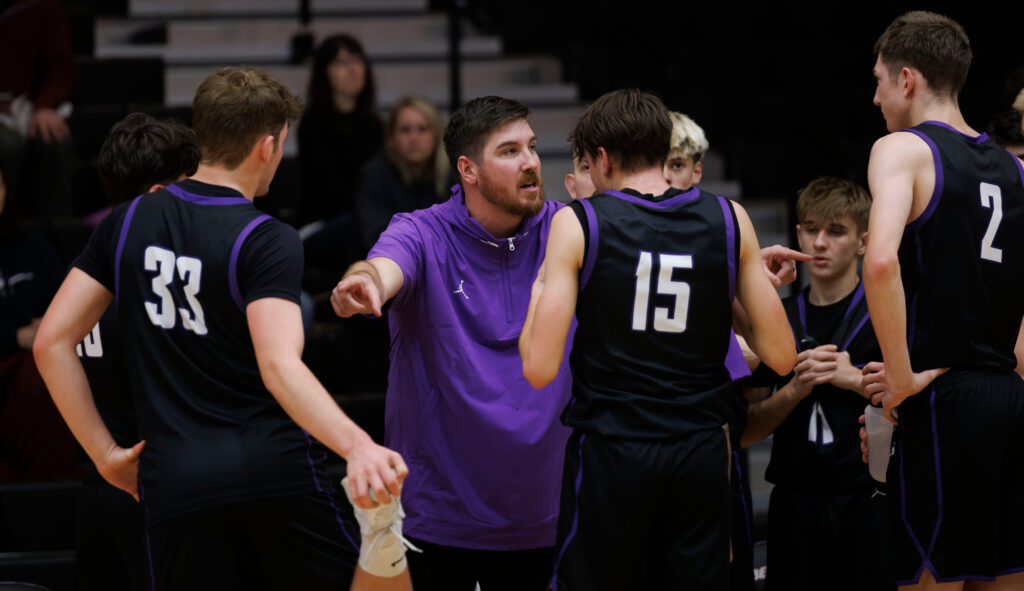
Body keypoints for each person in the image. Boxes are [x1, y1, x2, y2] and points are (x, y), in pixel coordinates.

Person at [33, 66, 412, 591]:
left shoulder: (128, 220)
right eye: (282, 144)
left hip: (173, 483)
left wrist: (104, 456)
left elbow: (52, 341)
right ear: (266, 146)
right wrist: (357, 446)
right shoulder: (268, 237)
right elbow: (279, 365)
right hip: (270, 472)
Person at [519, 88, 796, 590]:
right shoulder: (730, 218)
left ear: (600, 159)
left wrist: (540, 287)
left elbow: (539, 368)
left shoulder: (578, 221)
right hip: (700, 452)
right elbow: (781, 356)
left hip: (614, 450)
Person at [331, 95, 571, 591]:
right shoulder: (421, 231)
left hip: (546, 515)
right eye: (509, 151)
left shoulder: (568, 230)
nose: (530, 162)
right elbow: (384, 266)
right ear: (468, 169)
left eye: (531, 146)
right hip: (438, 519)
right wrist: (367, 281)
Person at [861, 11, 1024, 590]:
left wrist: (901, 378)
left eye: (878, 80)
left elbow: (878, 261)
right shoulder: (1016, 169)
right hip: (1009, 399)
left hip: (942, 402)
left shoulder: (902, 148)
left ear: (907, 79)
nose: (876, 98)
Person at [741, 176, 892, 591]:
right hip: (795, 500)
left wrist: (856, 379)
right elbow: (746, 430)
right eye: (811, 229)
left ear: (863, 242)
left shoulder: (886, 314)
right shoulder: (776, 317)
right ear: (797, 234)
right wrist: (793, 390)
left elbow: (922, 404)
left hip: (868, 499)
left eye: (836, 231)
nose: (820, 242)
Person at [70, 112, 199, 591]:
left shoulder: (81, 276)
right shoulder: (160, 283)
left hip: (99, 486)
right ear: (159, 195)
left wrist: (103, 455)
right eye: (189, 186)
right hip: (148, 484)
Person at [0, 151, 80, 482]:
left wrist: (45, 331)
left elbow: (64, 305)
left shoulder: (29, 245)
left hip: (34, 375)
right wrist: (15, 336)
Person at [0, 0, 75, 221]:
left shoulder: (40, 5)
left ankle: (55, 240)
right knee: (8, 146)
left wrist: (45, 106)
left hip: (23, 107)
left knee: (53, 139)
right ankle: (9, 233)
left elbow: (61, 68)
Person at [353, 95, 454, 256]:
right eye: (405, 130)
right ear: (391, 138)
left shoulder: (454, 174)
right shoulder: (374, 174)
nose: (414, 138)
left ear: (436, 136)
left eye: (422, 129)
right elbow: (378, 239)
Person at [663, 111, 708, 190]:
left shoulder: (721, 202)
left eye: (677, 166)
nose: (666, 176)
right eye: (653, 165)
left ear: (696, 172)